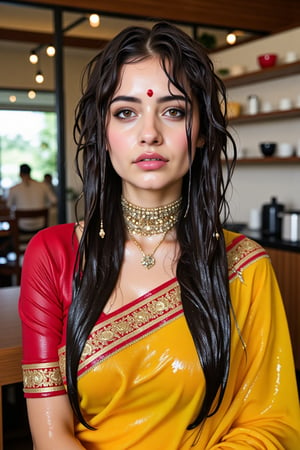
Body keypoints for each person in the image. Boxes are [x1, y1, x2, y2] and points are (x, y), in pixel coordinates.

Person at [19, 22, 300, 449]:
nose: (149, 133)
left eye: (174, 111)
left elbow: (272, 424)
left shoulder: (245, 267)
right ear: (103, 133)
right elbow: (50, 433)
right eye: (126, 112)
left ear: (202, 131)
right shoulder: (53, 255)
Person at [7, 163, 57, 231]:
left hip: (21, 225)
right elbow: (54, 201)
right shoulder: (43, 186)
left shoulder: (13, 189)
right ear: (30, 173)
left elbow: (9, 205)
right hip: (41, 223)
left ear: (20, 174)